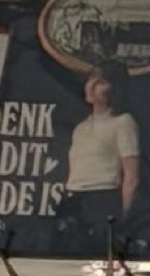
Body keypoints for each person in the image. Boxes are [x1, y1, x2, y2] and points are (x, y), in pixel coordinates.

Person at [56, 69, 138, 262]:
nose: (92, 87)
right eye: (90, 80)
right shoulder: (81, 128)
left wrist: (123, 216)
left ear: (114, 88)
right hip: (74, 200)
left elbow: (132, 176)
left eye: (100, 82)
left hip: (102, 199)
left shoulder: (123, 122)